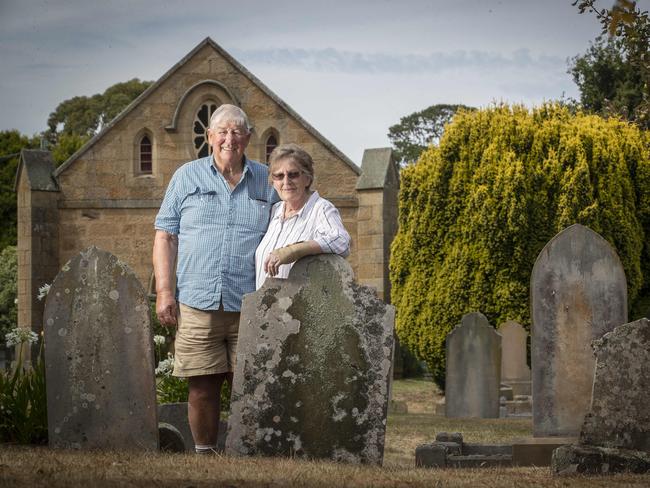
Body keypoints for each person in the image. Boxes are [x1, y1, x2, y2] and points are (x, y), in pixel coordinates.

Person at [152, 104, 276, 454]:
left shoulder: (269, 180)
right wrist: (164, 292)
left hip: (251, 304)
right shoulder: (186, 176)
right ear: (209, 137)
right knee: (202, 386)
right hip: (197, 301)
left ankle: (246, 454)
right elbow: (165, 236)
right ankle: (205, 454)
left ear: (248, 138)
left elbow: (291, 222)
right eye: (222, 131)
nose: (229, 138)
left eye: (237, 131)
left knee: (249, 385)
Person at [255, 143, 350, 289]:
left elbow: (341, 241)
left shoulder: (321, 208)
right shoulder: (275, 210)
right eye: (279, 176)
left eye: (293, 174)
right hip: (264, 308)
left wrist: (291, 251)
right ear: (273, 182)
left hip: (297, 308)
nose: (286, 182)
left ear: (307, 178)